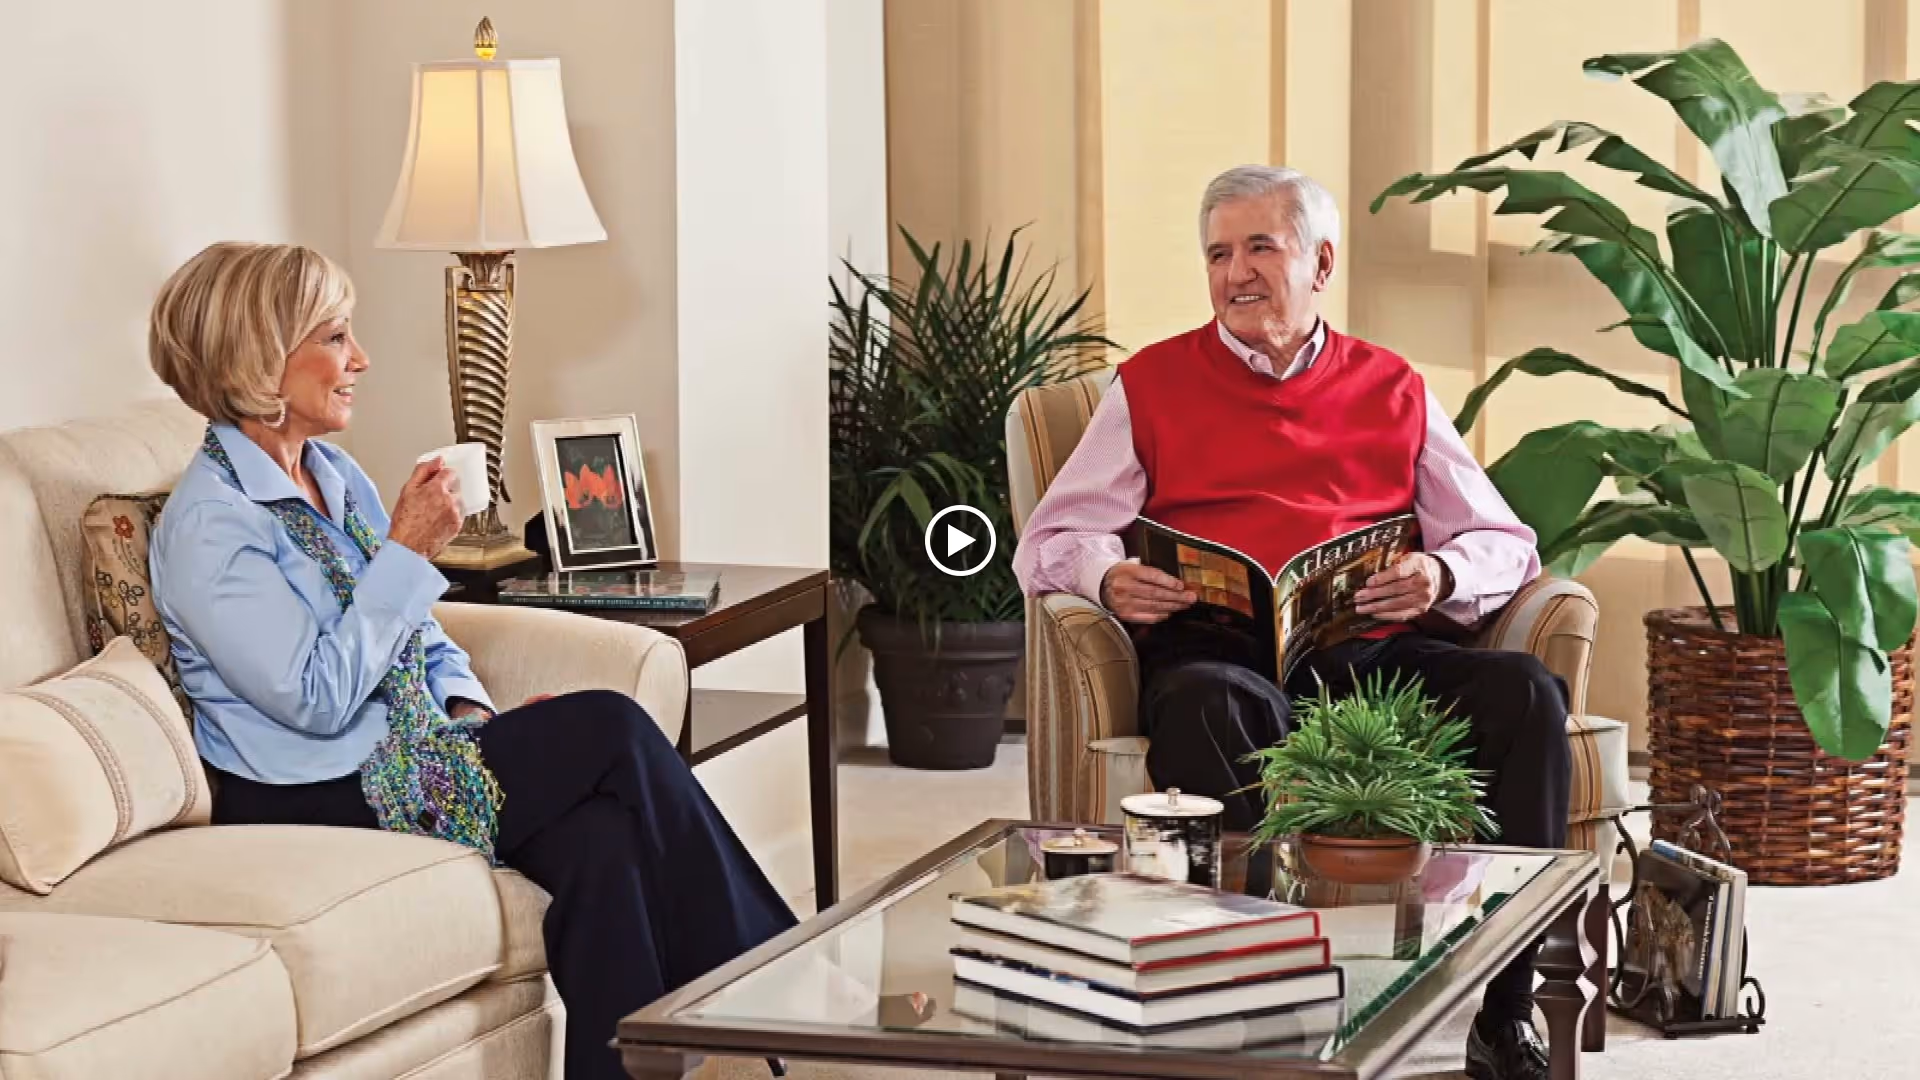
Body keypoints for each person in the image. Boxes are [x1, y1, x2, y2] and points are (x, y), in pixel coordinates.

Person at [146, 241, 797, 1080]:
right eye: (336, 337)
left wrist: (470, 713)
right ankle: (777, 987)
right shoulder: (211, 524)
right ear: (261, 356)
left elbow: (421, 633)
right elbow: (314, 699)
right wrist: (407, 552)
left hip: (409, 752)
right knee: (610, 726)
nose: (361, 359)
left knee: (602, 842)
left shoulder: (332, 474)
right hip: (307, 789)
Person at [1012, 166, 1570, 1080]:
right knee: (1207, 702)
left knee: (1528, 693)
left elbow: (1505, 540)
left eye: (1259, 248)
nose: (1236, 273)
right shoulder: (1148, 385)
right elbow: (1051, 537)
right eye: (1218, 254)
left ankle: (1506, 1011)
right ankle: (1264, 1003)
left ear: (1321, 263)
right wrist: (1106, 576)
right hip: (1217, 651)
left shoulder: (1394, 385)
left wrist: (1440, 572)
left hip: (1368, 651)